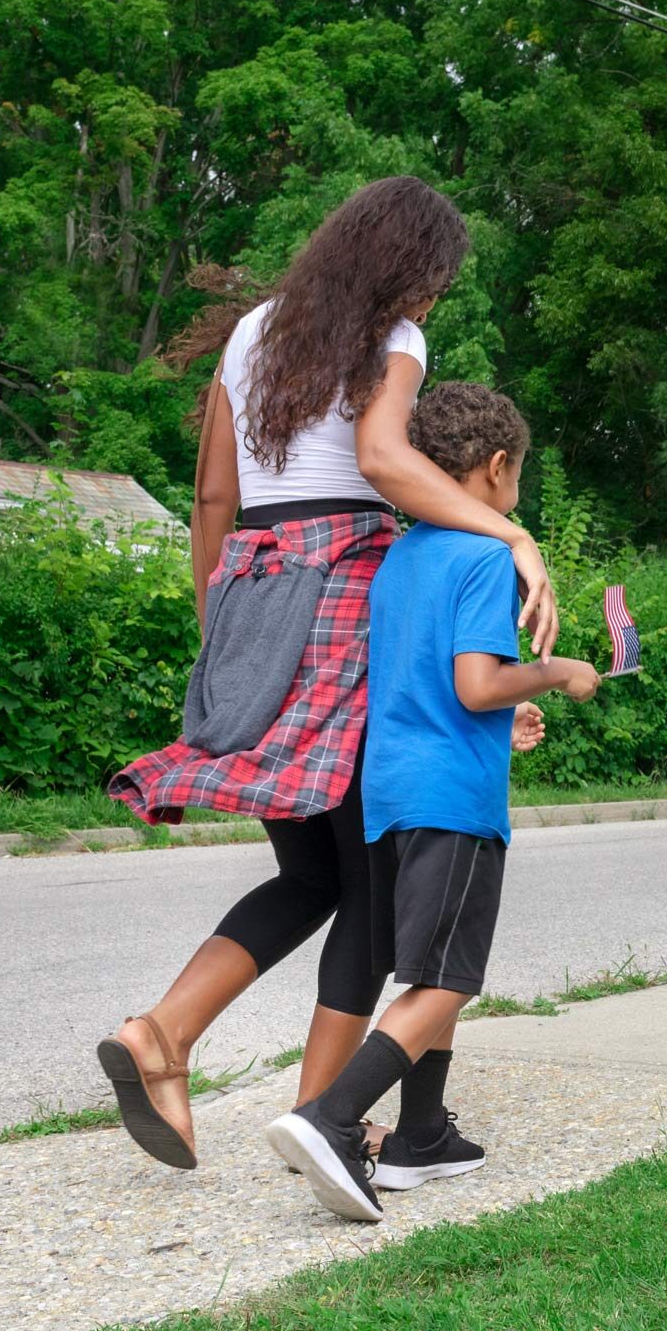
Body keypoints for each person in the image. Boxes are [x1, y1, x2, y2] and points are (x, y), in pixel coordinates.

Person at [96, 179, 559, 1171]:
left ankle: (167, 1034)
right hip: (343, 594)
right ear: (408, 267)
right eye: (436, 278)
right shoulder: (390, 331)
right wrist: (513, 531)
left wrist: (220, 624)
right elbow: (384, 459)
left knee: (306, 871)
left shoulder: (255, 330)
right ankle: (320, 1118)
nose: (434, 299)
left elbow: (214, 492)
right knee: (367, 885)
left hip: (249, 589)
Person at [266, 382, 600, 1220]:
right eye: (518, 472)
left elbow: (440, 686)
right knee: (447, 983)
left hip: (391, 792)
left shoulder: (405, 553)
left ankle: (422, 1135)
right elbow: (477, 680)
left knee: (424, 968)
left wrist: (503, 712)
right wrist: (560, 673)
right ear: (495, 469)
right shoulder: (486, 555)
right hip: (454, 799)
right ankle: (333, 1119)